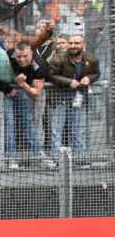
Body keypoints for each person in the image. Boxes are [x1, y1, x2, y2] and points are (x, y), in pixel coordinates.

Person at [47, 34, 99, 164]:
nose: (73, 46)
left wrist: (89, 78)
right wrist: (69, 81)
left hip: (78, 99)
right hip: (58, 100)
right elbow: (50, 76)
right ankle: (56, 161)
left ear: (84, 45)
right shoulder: (59, 59)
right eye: (71, 43)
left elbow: (96, 73)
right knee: (56, 132)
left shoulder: (91, 59)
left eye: (76, 43)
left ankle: (80, 160)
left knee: (78, 131)